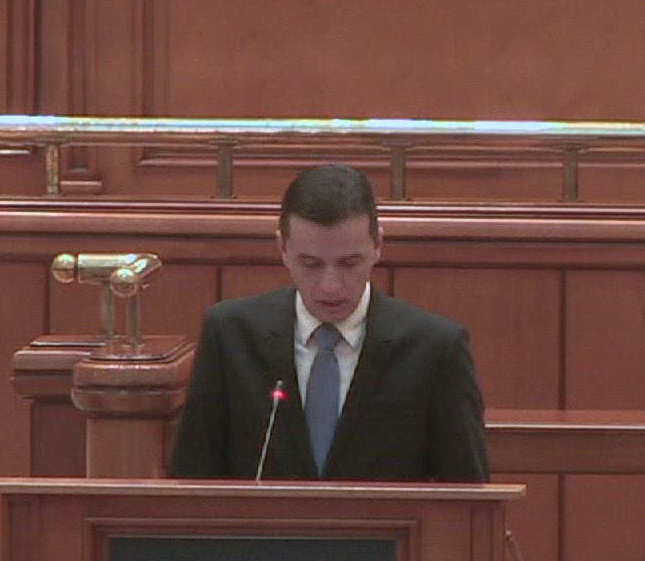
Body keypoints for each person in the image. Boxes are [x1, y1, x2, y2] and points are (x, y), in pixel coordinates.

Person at [168, 164, 490, 482]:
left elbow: (466, 496)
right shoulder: (231, 335)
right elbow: (192, 479)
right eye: (311, 264)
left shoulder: (434, 348)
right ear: (282, 249)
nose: (330, 287)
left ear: (377, 246)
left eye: (349, 263)